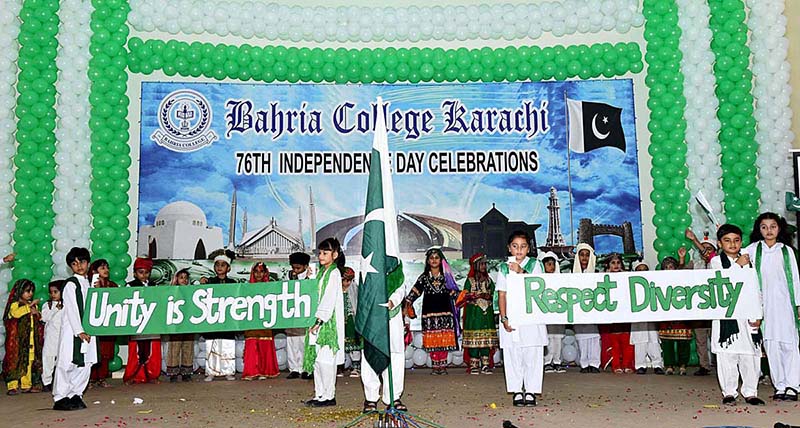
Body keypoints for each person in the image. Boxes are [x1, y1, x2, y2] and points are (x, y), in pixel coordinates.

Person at [744, 212, 800, 401]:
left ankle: (793, 385)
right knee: (771, 346)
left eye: (773, 226)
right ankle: (780, 386)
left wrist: (798, 304)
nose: (769, 230)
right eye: (764, 227)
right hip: (764, 307)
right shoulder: (752, 249)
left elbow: (796, 278)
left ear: (779, 228)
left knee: (789, 344)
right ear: (758, 229)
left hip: (785, 305)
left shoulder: (786, 250)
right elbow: (734, 260)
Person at [710, 223, 764, 406]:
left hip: (748, 314)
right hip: (727, 315)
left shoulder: (750, 261)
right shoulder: (716, 262)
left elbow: (756, 288)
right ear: (719, 243)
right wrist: (738, 267)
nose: (732, 244)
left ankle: (750, 391)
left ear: (741, 242)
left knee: (750, 355)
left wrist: (758, 313)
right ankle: (729, 392)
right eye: (727, 241)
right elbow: (722, 284)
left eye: (736, 240)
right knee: (727, 355)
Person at [497, 230, 546, 407]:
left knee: (532, 352)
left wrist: (520, 271)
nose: (519, 250)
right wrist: (504, 318)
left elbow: (538, 286)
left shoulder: (535, 265)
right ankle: (517, 390)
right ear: (509, 248)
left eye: (523, 246)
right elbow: (502, 294)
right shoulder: (503, 268)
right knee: (513, 354)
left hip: (531, 315)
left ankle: (531, 390)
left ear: (528, 248)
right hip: (512, 316)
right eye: (515, 246)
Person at [304, 238, 345, 407]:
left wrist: (319, 321)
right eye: (320, 253)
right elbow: (312, 293)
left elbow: (328, 299)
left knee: (326, 361)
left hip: (328, 324)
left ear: (334, 255)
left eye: (325, 253)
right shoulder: (321, 273)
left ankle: (329, 395)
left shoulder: (334, 274)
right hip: (317, 321)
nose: (321, 256)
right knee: (317, 361)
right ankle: (319, 394)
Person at [405, 248, 460, 375]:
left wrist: (461, 297)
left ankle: (443, 365)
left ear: (441, 260)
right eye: (431, 258)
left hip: (445, 312)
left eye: (437, 257)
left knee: (444, 338)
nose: (434, 260)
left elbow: (454, 292)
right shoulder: (424, 277)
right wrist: (408, 302)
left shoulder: (446, 276)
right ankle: (436, 365)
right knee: (433, 338)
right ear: (428, 261)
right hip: (429, 312)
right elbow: (415, 291)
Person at [53, 247, 96, 411]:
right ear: (70, 266)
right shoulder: (71, 284)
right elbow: (71, 308)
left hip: (89, 330)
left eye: (82, 262)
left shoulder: (89, 283)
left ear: (88, 263)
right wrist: (79, 331)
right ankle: (60, 397)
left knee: (86, 363)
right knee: (67, 363)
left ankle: (76, 394)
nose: (79, 266)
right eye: (74, 263)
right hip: (72, 331)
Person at [123, 257, 161, 384]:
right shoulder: (129, 286)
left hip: (151, 323)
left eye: (146, 272)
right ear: (134, 273)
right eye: (140, 272)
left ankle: (151, 375)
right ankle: (133, 376)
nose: (144, 275)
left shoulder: (154, 286)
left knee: (150, 350)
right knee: (136, 351)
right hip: (136, 323)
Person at [3, 278, 44, 395]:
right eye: (27, 291)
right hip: (17, 341)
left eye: (31, 291)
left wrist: (37, 314)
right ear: (19, 291)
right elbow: (15, 314)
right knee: (15, 361)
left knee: (29, 362)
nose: (30, 294)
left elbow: (38, 321)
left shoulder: (32, 306)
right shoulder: (15, 305)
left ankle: (26, 384)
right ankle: (13, 385)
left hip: (30, 341)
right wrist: (29, 307)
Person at [460, 253, 498, 375]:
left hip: (486, 314)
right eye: (481, 264)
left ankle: (485, 364)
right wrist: (474, 296)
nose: (483, 266)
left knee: (486, 339)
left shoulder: (488, 280)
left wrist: (488, 296)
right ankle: (474, 365)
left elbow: (496, 295)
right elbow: (463, 297)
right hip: (474, 314)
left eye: (485, 264)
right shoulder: (469, 281)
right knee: (474, 339)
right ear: (475, 265)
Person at [203, 253, 238, 382]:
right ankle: (211, 371)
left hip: (227, 318)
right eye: (217, 265)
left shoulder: (233, 283)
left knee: (227, 344)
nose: (219, 267)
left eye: (223, 265)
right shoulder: (209, 282)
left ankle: (228, 371)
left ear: (228, 268)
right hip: (213, 317)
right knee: (212, 344)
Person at [242, 262, 279, 380]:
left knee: (265, 344)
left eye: (261, 271)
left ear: (265, 273)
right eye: (256, 271)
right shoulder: (246, 288)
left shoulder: (270, 288)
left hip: (265, 320)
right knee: (251, 343)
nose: (258, 274)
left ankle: (265, 371)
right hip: (251, 320)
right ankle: (251, 372)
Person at [599, 253, 635, 374]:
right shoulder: (603, 278)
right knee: (614, 341)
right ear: (608, 265)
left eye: (618, 263)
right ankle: (616, 365)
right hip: (612, 312)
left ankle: (627, 364)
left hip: (625, 311)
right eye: (613, 263)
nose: (616, 265)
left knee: (627, 340)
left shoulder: (627, 277)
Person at [658, 255, 692, 376]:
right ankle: (669, 365)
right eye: (666, 267)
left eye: (671, 267)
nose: (669, 269)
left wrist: (681, 261)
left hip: (681, 312)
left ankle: (683, 365)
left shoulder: (682, 279)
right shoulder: (659, 281)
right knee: (667, 342)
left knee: (684, 342)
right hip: (666, 313)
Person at [629, 262, 664, 375]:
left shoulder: (653, 283)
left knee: (653, 340)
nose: (642, 272)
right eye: (639, 270)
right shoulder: (631, 285)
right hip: (637, 316)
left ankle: (657, 364)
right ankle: (640, 365)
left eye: (645, 269)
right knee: (639, 341)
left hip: (651, 316)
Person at [88, 259, 117, 388]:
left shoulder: (113, 285)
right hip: (94, 321)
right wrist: (97, 290)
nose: (106, 270)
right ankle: (91, 379)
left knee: (106, 351)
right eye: (102, 268)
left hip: (108, 321)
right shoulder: (89, 285)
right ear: (94, 271)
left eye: (107, 267)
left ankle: (102, 377)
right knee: (94, 350)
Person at [573, 243, 601, 373]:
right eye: (582, 255)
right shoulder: (570, 274)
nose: (584, 258)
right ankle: (584, 363)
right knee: (581, 336)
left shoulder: (597, 273)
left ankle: (594, 363)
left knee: (594, 337)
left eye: (587, 255)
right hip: (578, 307)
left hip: (594, 308)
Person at [286, 251, 313, 380]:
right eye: (293, 267)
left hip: (305, 313)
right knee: (292, 341)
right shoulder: (289, 277)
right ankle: (294, 368)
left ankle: (307, 368)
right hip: (291, 313)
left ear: (306, 266)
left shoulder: (310, 278)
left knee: (304, 341)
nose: (295, 270)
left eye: (298, 268)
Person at [166, 269, 194, 382]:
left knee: (188, 346)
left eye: (186, 278)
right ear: (176, 279)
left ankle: (186, 372)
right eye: (181, 277)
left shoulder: (192, 291)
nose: (184, 280)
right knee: (174, 347)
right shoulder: (172, 291)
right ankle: (173, 372)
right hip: (176, 323)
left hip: (188, 322)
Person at [539, 251, 565, 374]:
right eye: (548, 264)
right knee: (548, 337)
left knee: (558, 338)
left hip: (558, 310)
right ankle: (547, 362)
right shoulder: (540, 280)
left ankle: (557, 361)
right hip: (546, 311)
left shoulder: (560, 279)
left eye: (553, 264)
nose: (551, 267)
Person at [41, 280, 65, 392]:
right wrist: (56, 309)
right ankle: (46, 382)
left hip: (62, 337)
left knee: (61, 361)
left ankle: (60, 382)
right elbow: (45, 318)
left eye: (56, 292)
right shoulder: (48, 305)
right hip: (50, 337)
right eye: (51, 292)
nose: (53, 294)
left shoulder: (67, 304)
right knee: (48, 360)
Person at [340, 267, 362, 378]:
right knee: (340, 344)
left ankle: (356, 367)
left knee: (354, 344)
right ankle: (340, 367)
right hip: (339, 321)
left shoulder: (355, 290)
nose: (346, 283)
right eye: (344, 280)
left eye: (349, 280)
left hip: (352, 321)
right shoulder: (336, 291)